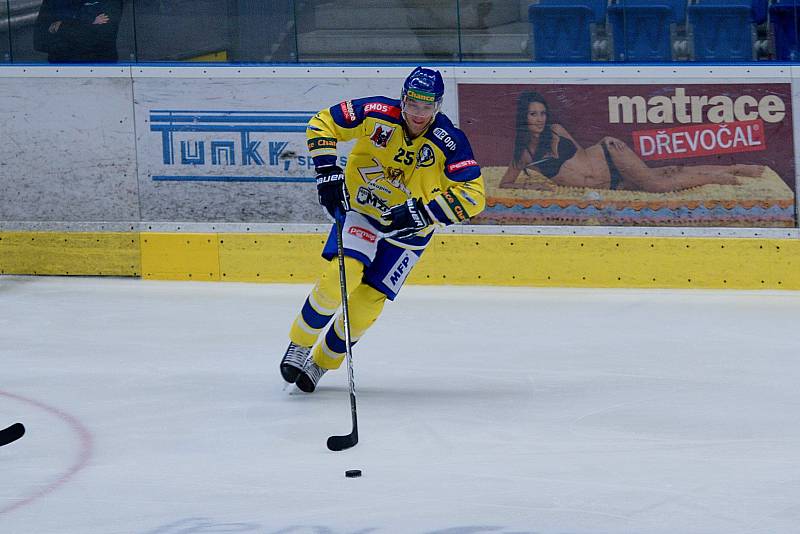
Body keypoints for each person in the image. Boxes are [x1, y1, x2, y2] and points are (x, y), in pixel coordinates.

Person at [280, 67, 486, 393]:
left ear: (438, 106)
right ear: (403, 99)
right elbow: (323, 122)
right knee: (339, 278)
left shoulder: (449, 141)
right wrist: (327, 171)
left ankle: (321, 361)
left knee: (366, 305)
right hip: (363, 213)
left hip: (410, 233)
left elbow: (474, 197)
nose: (418, 114)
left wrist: (422, 212)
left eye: (427, 107)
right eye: (413, 105)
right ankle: (301, 344)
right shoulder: (377, 112)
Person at [500, 91, 765, 192]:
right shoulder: (524, 155)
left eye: (542, 113)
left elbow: (583, 157)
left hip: (608, 155)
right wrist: (533, 187)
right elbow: (506, 183)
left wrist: (605, 151)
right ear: (523, 116)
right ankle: (731, 168)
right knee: (664, 174)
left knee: (656, 184)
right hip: (612, 184)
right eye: (533, 114)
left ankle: (717, 177)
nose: (539, 119)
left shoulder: (557, 129)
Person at [34, 0, 123, 63]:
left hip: (98, 70)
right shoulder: (53, 2)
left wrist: (62, 25)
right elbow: (40, 41)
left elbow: (102, 37)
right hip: (61, 73)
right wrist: (89, 21)